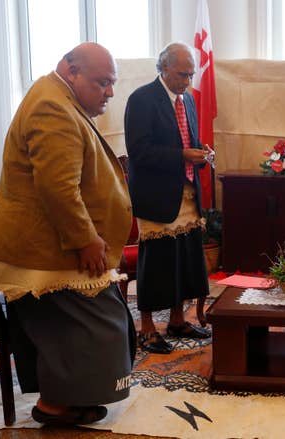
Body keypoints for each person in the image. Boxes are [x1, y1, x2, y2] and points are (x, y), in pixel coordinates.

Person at [0, 43, 135, 425]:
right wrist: (85, 240)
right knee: (91, 324)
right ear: (70, 71)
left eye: (112, 83)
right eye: (102, 82)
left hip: (48, 243)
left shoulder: (57, 95)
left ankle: (66, 399)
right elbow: (58, 188)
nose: (109, 92)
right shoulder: (52, 106)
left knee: (68, 329)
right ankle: (57, 405)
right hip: (48, 247)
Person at [124, 42, 211, 354]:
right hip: (155, 196)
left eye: (190, 75)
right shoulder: (142, 99)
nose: (187, 81)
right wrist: (183, 155)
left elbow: (191, 141)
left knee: (184, 260)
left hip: (185, 193)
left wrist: (201, 153)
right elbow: (139, 151)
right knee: (157, 264)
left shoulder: (186, 100)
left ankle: (177, 320)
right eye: (181, 74)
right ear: (162, 69)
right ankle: (146, 329)